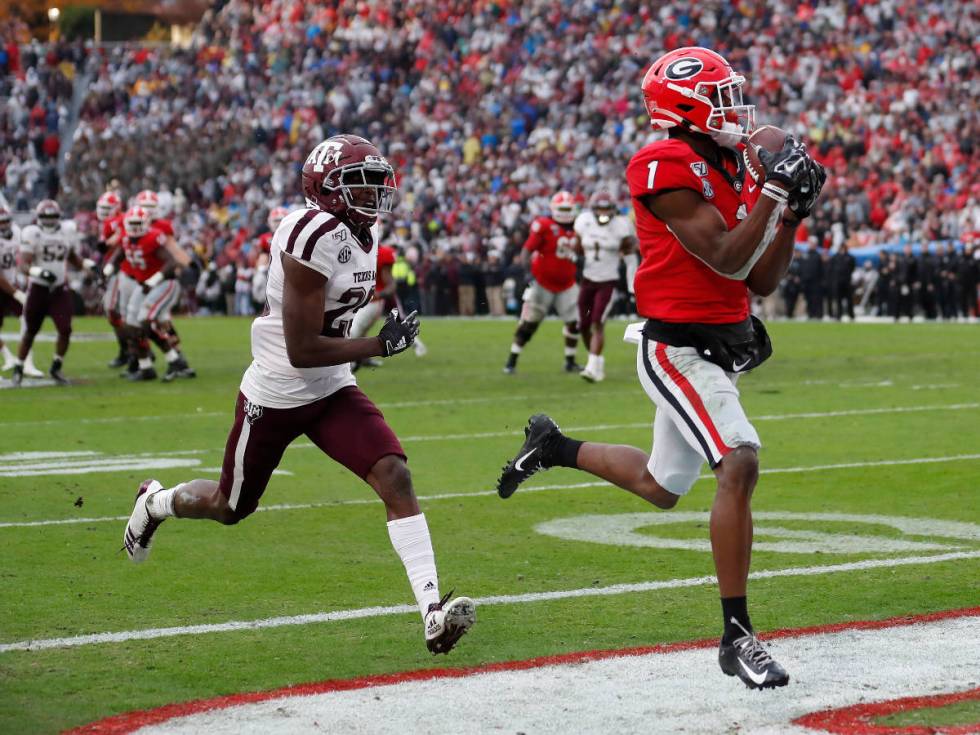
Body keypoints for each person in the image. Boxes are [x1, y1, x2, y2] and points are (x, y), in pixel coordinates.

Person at [495, 47, 825, 689]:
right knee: (739, 459)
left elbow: (760, 275)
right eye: (721, 97)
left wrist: (789, 216)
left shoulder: (732, 164)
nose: (735, 109)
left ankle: (554, 445)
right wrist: (777, 192)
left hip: (717, 342)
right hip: (674, 344)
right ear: (686, 107)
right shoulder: (662, 162)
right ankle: (737, 637)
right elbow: (729, 258)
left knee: (660, 485)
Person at [122, 134, 475, 655]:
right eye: (362, 183)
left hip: (330, 386)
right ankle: (154, 503)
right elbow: (303, 347)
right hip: (279, 388)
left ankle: (431, 613)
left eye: (378, 182)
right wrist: (380, 342)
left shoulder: (360, 231)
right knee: (229, 506)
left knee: (395, 474)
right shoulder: (312, 234)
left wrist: (374, 336)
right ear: (326, 189)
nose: (376, 193)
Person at [12, 199, 97, 386]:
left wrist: (87, 266)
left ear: (58, 217)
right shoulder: (32, 233)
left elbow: (73, 257)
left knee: (65, 329)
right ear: (39, 217)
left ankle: (56, 367)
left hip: (59, 288)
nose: (49, 221)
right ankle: (18, 366)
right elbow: (23, 264)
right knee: (30, 331)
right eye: (45, 217)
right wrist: (38, 272)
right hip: (38, 288)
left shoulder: (67, 231)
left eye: (52, 217)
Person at [107, 206, 195, 382]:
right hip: (144, 285)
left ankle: (175, 359)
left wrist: (153, 281)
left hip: (163, 284)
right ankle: (146, 367)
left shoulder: (153, 237)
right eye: (132, 224)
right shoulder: (126, 237)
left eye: (138, 223)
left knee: (146, 320)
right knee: (131, 325)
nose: (135, 227)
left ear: (146, 223)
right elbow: (120, 253)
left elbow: (171, 263)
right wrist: (108, 267)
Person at [503, 191, 582, 374]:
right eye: (561, 208)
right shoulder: (544, 225)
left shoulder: (579, 227)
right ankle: (511, 360)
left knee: (574, 323)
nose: (564, 212)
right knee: (530, 323)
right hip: (542, 283)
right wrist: (527, 274)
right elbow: (526, 250)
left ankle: (570, 361)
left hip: (567, 284)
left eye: (567, 209)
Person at [574, 190, 636, 382]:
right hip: (588, 279)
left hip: (608, 281)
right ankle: (597, 361)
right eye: (599, 209)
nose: (602, 213)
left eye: (606, 209)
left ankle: (591, 367)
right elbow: (577, 248)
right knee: (583, 325)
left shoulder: (622, 226)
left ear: (613, 210)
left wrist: (633, 285)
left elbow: (630, 256)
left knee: (597, 322)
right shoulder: (583, 222)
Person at [95, 190, 128, 367]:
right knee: (116, 313)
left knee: (114, 311)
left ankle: (132, 351)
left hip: (123, 270)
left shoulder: (121, 220)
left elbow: (112, 245)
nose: (104, 211)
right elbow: (103, 249)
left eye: (108, 208)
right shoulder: (107, 223)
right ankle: (128, 350)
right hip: (114, 269)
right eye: (103, 208)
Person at [0, 207, 27, 370]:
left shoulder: (17, 233)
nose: (3, 226)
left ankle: (24, 360)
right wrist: (16, 292)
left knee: (28, 319)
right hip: (3, 285)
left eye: (5, 222)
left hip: (13, 282)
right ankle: (8, 357)